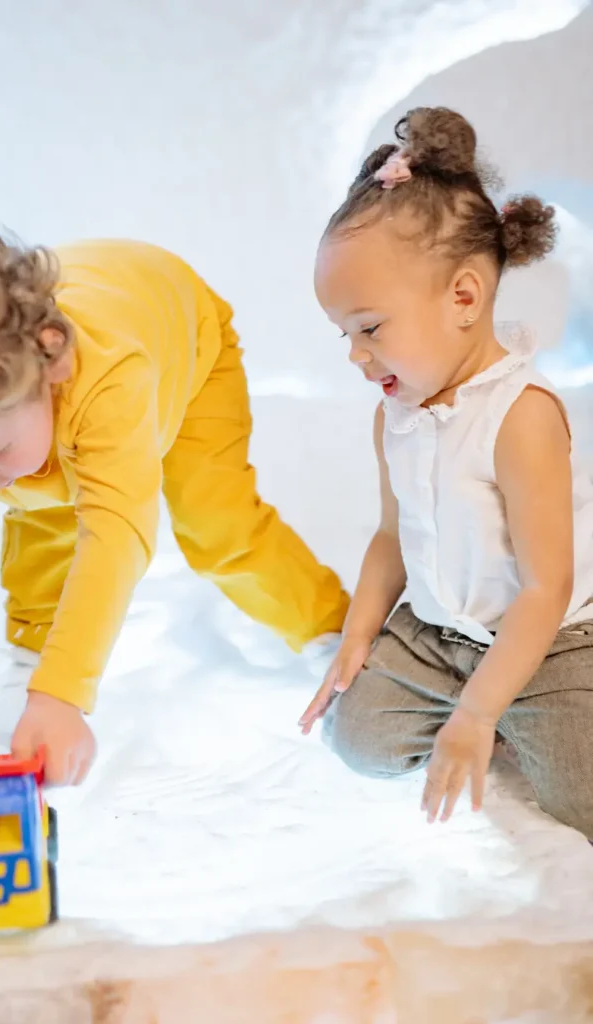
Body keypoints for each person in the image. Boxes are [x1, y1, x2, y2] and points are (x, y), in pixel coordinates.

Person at [0, 221, 349, 828]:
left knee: (218, 529)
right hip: (74, 370)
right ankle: (32, 657)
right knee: (42, 513)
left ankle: (333, 634)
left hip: (186, 345)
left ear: (51, 358)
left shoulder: (108, 378)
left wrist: (62, 695)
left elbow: (116, 535)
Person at [299, 106, 593, 838]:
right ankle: (484, 708)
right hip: (438, 630)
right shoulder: (395, 415)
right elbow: (391, 536)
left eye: (370, 328)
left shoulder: (520, 417)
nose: (355, 355)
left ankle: (508, 710)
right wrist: (358, 638)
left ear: (462, 298)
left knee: (583, 792)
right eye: (345, 334)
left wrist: (477, 714)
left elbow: (545, 588)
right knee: (358, 742)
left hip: (548, 633)